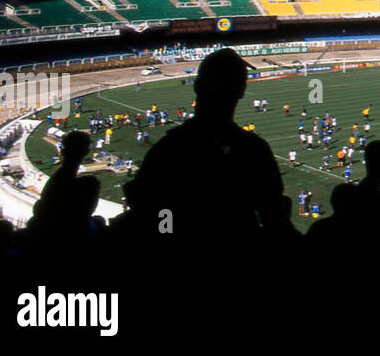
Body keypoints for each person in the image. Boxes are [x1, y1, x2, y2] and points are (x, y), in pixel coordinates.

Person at [117, 48, 295, 267]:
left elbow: (147, 211)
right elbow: (275, 222)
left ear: (197, 87)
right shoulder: (254, 150)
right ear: (242, 90)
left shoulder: (169, 148)